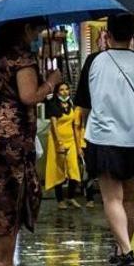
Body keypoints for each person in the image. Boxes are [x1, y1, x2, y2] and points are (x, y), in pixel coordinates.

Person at [0, 20, 60, 266]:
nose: (37, 35)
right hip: (13, 135)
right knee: (15, 194)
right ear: (25, 29)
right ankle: (5, 263)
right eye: (35, 30)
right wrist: (50, 83)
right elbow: (28, 96)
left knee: (0, 191)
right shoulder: (21, 59)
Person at [75, 14, 134, 266]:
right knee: (130, 199)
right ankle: (123, 249)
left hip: (104, 138)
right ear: (133, 35)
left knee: (112, 199)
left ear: (106, 35)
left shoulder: (94, 61)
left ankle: (125, 250)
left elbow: (84, 105)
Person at [45, 82, 87, 210]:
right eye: (61, 90)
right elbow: (54, 125)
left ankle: (71, 197)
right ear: (57, 92)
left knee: (74, 169)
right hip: (57, 141)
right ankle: (60, 200)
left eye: (66, 89)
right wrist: (59, 143)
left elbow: (75, 126)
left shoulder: (72, 105)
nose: (64, 92)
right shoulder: (53, 105)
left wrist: (79, 145)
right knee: (58, 170)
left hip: (71, 140)